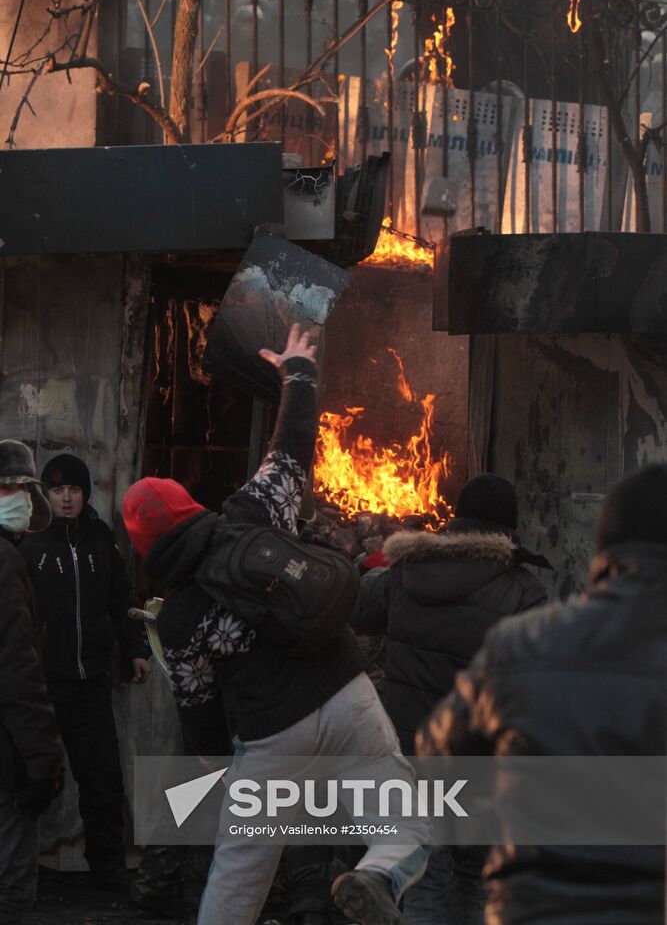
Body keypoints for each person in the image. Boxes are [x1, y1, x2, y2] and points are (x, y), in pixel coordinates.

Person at [122, 324, 428, 925]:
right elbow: (292, 447)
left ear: (145, 549)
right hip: (345, 691)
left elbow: (200, 718)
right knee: (406, 815)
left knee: (238, 877)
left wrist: (221, 772)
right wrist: (297, 371)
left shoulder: (178, 619)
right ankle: (375, 875)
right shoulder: (251, 512)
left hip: (269, 735)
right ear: (188, 504)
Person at [417, 463, 667, 924]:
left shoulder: (520, 642)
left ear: (604, 546)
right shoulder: (523, 599)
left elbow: (438, 750)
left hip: (529, 909)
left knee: (431, 876)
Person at [351, 473, 549, 925]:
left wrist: (366, 566)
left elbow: (358, 610)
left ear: (455, 520)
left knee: (427, 877)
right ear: (509, 528)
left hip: (410, 754)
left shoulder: (406, 572)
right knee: (474, 877)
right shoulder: (523, 591)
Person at [19, 453, 151, 887]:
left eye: (74, 490)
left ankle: (109, 870)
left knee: (102, 780)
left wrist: (134, 649)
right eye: (58, 491)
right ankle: (21, 874)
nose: (67, 498)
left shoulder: (101, 538)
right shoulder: (29, 543)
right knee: (31, 781)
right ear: (46, 495)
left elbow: (120, 599)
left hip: (91, 683)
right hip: (42, 686)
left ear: (84, 493)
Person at [0, 440, 63, 924]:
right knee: (11, 888)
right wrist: (43, 758)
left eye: (22, 487)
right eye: (6, 487)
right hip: (5, 760)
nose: (17, 497)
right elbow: (18, 671)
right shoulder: (5, 564)